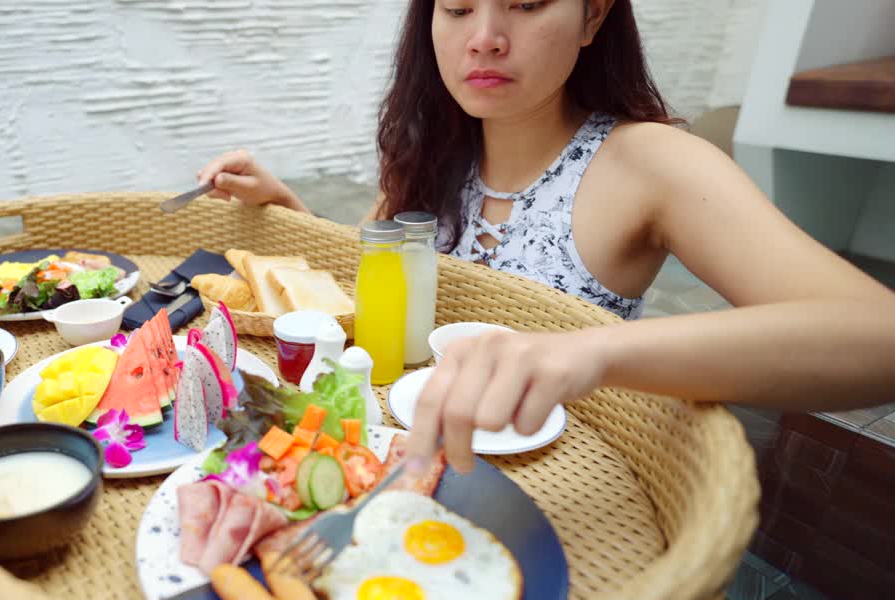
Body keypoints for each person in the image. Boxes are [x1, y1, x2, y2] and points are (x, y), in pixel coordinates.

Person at [196, 0, 895, 474]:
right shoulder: (429, 153)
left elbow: (879, 339)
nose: (485, 37)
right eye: (459, 6)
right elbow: (377, 279)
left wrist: (588, 352)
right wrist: (290, 210)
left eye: (527, 3)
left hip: (566, 485)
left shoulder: (649, 162)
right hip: (409, 465)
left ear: (593, 14)